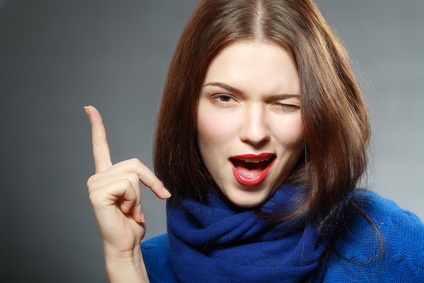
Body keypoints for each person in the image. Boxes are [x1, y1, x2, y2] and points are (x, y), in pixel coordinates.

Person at [85, 0, 424, 282]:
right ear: (187, 109)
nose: (256, 132)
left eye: (285, 104)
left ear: (318, 114)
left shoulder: (395, 246)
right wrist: (124, 262)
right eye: (225, 98)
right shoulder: (145, 267)